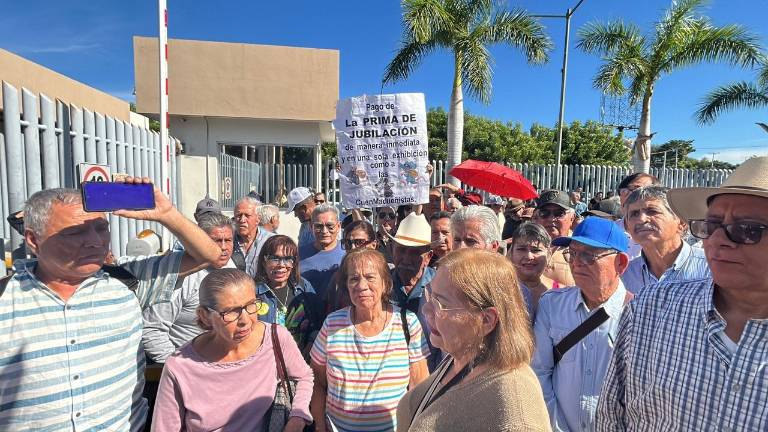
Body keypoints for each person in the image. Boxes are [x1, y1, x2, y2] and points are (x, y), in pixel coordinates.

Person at [0, 180, 221, 431]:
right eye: (75, 232)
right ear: (33, 239)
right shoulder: (6, 299)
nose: (95, 241)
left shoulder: (127, 281)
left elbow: (210, 255)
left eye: (101, 228)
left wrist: (167, 214)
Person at [596, 156, 768, 430]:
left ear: (681, 225)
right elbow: (611, 415)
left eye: (746, 229)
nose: (718, 240)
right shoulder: (649, 309)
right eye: (711, 226)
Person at [396, 249, 551, 432]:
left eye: (441, 304)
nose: (426, 310)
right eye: (431, 294)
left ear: (486, 320)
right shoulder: (462, 356)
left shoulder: (516, 411)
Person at [151, 269, 313, 432]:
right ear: (205, 316)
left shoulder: (275, 337)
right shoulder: (179, 366)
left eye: (251, 305)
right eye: (230, 311)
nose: (245, 320)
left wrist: (298, 417)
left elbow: (304, 377)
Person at [310, 249, 430, 432]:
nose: (361, 286)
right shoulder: (332, 324)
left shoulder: (407, 322)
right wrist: (319, 425)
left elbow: (419, 385)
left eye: (370, 277)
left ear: (385, 282)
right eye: (354, 279)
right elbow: (318, 381)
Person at [532, 217, 631, 432]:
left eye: (588, 255)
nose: (576, 262)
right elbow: (539, 373)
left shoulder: (639, 315)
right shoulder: (552, 305)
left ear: (620, 263)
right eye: (573, 253)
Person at [142, 212, 237, 363]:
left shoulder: (233, 268)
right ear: (199, 242)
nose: (224, 247)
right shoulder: (180, 276)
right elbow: (153, 330)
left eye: (228, 240)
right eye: (216, 241)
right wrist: (183, 368)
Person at [621, 185, 710, 294]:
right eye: (634, 214)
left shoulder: (709, 269)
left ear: (681, 222)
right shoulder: (625, 275)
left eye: (652, 211)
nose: (641, 219)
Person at [389, 213, 440, 367]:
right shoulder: (381, 285)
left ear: (428, 256)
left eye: (414, 252)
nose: (406, 258)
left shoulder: (439, 286)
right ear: (392, 249)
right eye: (401, 250)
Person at [254, 235, 316, 325]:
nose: (281, 265)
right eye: (274, 258)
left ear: (294, 263)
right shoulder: (253, 292)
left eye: (288, 259)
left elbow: (316, 322)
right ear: (264, 262)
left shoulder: (303, 287)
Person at [507, 222, 557, 319]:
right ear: (511, 253)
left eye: (536, 250)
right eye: (521, 249)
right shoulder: (498, 289)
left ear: (549, 254)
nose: (529, 256)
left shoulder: (561, 293)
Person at [299, 204, 345, 300]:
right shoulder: (298, 254)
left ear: (339, 226)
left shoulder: (347, 253)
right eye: (318, 226)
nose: (324, 231)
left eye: (330, 226)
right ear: (311, 227)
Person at [532, 190, 576, 287]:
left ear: (572, 218)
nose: (551, 219)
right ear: (537, 216)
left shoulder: (580, 248)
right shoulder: (524, 245)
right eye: (545, 213)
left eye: (559, 213)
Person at [616, 173, 661, 259]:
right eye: (624, 191)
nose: (629, 196)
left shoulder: (662, 234)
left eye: (637, 190)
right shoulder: (609, 230)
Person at [232, 196, 274, 276]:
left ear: (258, 219)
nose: (242, 220)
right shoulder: (227, 241)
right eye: (238, 215)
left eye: (247, 215)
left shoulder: (270, 241)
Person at [287, 186, 317, 251]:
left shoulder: (327, 221)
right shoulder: (305, 225)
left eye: (296, 210)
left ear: (305, 207)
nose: (295, 215)